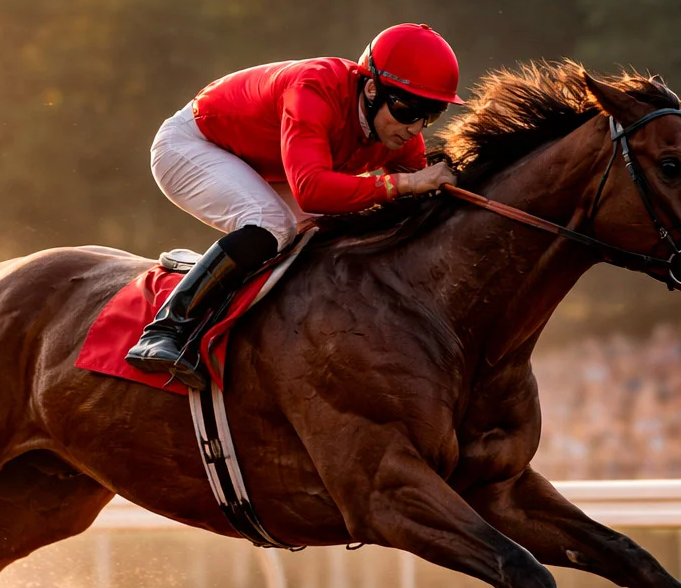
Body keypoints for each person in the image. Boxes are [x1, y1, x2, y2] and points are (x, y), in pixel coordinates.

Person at [124, 23, 464, 388]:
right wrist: (405, 183)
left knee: (326, 233)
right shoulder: (313, 89)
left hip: (266, 164)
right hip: (192, 146)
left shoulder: (399, 133)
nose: (415, 128)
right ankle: (167, 330)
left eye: (431, 115)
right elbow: (312, 190)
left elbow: (420, 200)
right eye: (406, 109)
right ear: (370, 88)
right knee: (272, 224)